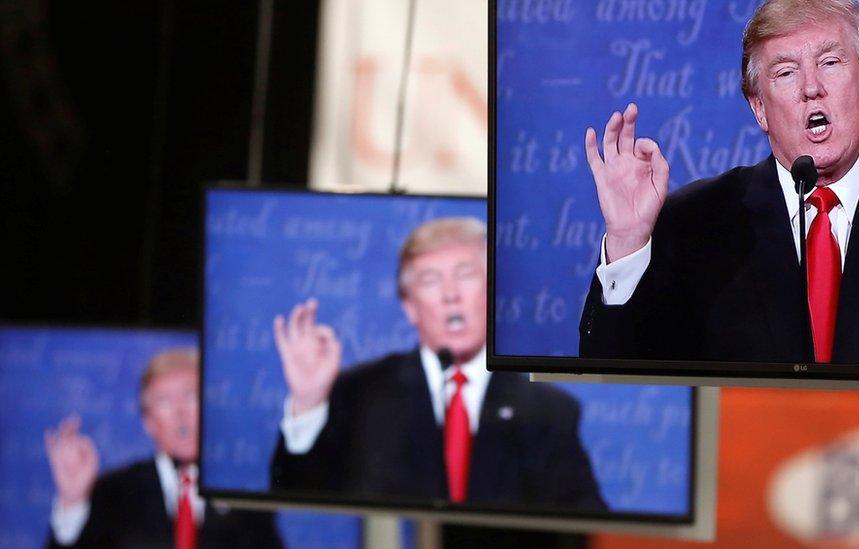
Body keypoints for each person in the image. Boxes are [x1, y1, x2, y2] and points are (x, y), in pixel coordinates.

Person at [580, 0, 859, 365]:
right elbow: (615, 371)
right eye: (786, 72)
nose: (810, 87)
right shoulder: (693, 226)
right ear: (760, 109)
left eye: (830, 62)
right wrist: (628, 243)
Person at [270, 217, 605, 509]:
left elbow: (586, 523)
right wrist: (309, 403)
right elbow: (298, 503)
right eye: (431, 281)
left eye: (465, 275)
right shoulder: (359, 395)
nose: (450, 294)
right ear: (410, 307)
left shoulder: (548, 412)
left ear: (492, 291)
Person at [44, 348, 282, 549]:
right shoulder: (114, 492)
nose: (180, 411)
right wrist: (73, 501)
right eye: (164, 401)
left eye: (190, 395)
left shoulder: (241, 492)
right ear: (148, 422)